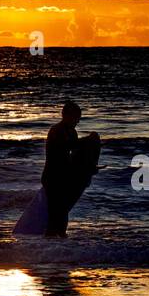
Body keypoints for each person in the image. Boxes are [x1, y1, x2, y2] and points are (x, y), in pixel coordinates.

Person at [41, 100, 85, 237]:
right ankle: (48, 249)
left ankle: (60, 248)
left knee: (63, 213)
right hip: (52, 178)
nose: (78, 121)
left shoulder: (72, 132)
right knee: (55, 216)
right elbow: (64, 149)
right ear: (66, 116)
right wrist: (87, 141)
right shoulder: (56, 131)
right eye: (76, 117)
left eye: (79, 118)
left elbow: (74, 155)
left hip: (64, 178)